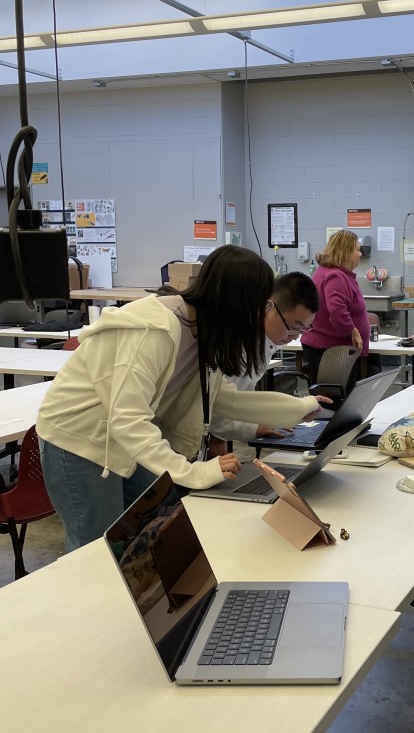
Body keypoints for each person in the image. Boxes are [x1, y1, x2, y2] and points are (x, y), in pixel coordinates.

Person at [37, 246, 327, 552]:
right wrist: (194, 472)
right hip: (81, 438)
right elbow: (128, 420)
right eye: (260, 305)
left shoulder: (202, 331)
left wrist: (298, 409)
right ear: (237, 302)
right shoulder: (156, 329)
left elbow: (221, 400)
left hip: (122, 437)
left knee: (152, 525)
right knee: (97, 551)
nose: (261, 315)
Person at [210, 271, 319, 446]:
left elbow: (242, 399)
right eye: (293, 326)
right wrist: (250, 427)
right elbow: (215, 409)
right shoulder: (236, 344)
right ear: (268, 307)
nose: (296, 336)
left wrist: (265, 420)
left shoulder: (267, 340)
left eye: (303, 329)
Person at [301, 230, 369, 386]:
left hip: (330, 347)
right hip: (332, 349)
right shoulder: (336, 276)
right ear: (345, 251)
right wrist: (353, 331)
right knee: (337, 395)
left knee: (334, 393)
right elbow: (337, 311)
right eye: (357, 250)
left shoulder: (330, 272)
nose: (360, 254)